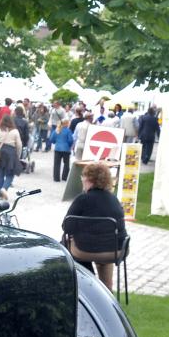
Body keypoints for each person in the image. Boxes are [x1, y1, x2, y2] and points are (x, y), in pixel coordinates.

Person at [64, 161, 125, 291]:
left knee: (66, 244)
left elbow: (67, 227)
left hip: (87, 251)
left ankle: (88, 282)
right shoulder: (114, 199)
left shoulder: (82, 199)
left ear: (88, 179)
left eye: (83, 177)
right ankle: (107, 289)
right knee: (102, 245)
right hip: (117, 251)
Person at [0, 115, 22, 194]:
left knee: (0, 175)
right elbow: (19, 145)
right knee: (10, 174)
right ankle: (4, 188)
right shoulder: (15, 131)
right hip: (11, 153)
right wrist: (18, 155)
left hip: (0, 153)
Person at [52, 116, 76, 182]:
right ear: (66, 124)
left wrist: (55, 142)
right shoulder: (68, 131)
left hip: (57, 149)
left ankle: (56, 178)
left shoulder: (57, 130)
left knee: (56, 164)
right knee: (66, 164)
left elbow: (52, 139)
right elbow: (70, 140)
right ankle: (64, 177)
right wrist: (69, 145)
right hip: (66, 149)